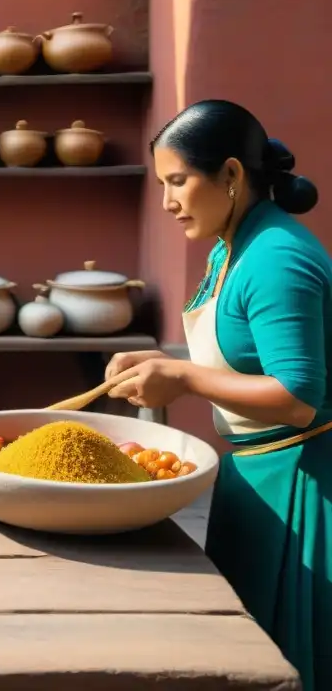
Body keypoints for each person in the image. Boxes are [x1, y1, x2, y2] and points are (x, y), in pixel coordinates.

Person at [104, 99, 330, 690]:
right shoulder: (232, 245)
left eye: (178, 182)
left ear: (230, 175)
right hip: (254, 477)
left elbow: (299, 395)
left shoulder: (277, 258)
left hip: (303, 486)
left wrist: (183, 378)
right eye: (161, 184)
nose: (167, 202)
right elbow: (237, 356)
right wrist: (163, 362)